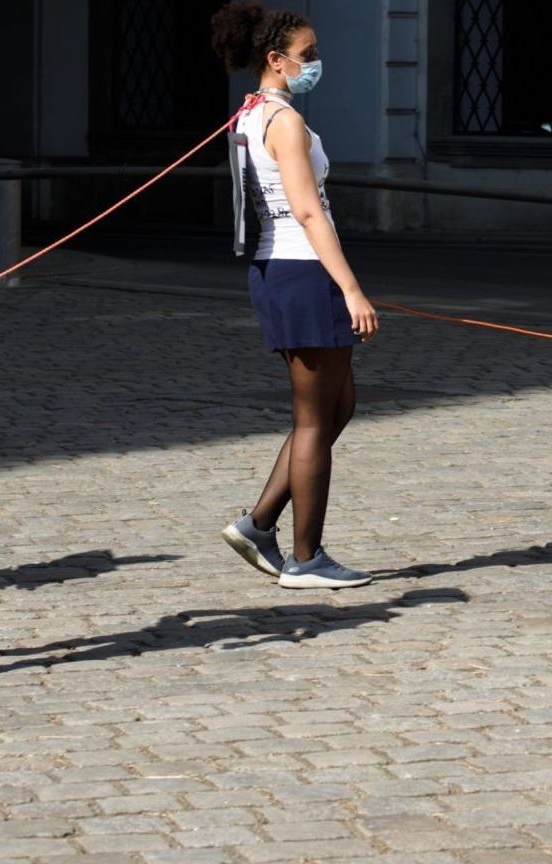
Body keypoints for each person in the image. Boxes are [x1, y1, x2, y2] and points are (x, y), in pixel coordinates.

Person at [212, 1, 379, 589]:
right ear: (275, 60)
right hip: (301, 269)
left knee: (339, 404)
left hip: (281, 268)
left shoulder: (251, 113)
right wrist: (351, 288)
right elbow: (307, 210)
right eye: (307, 56)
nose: (316, 64)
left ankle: (259, 523)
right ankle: (306, 557)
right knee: (313, 419)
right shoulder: (281, 121)